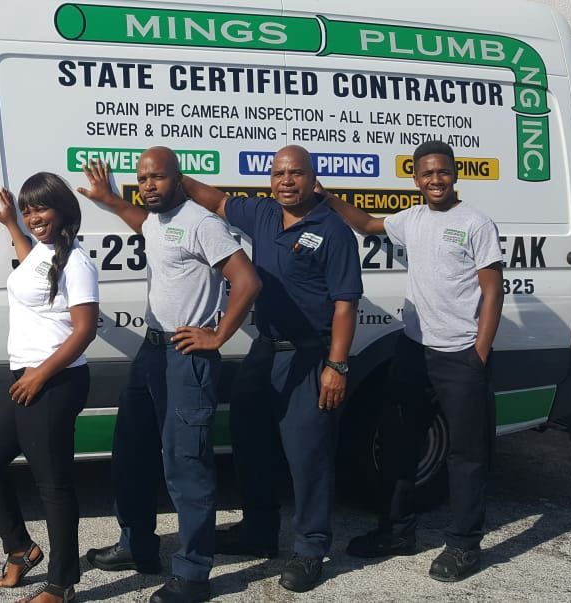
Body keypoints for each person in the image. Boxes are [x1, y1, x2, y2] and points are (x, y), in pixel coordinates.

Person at [78, 148, 261, 603]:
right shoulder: (158, 221)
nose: (148, 185)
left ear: (179, 179)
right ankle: (137, 545)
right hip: (152, 351)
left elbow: (247, 279)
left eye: (157, 177)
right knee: (131, 450)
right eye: (143, 179)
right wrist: (109, 199)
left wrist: (218, 335)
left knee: (185, 464)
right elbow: (144, 223)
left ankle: (193, 574)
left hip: (186, 355)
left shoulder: (203, 223)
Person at [180, 145, 362, 593]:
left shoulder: (333, 231)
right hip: (265, 351)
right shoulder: (262, 214)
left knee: (308, 454)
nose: (286, 181)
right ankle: (259, 531)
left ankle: (311, 547)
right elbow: (216, 201)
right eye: (279, 173)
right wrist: (172, 175)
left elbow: (345, 304)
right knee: (250, 441)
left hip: (308, 355)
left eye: (295, 173)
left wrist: (336, 366)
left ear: (312, 178)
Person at [321, 140, 504, 583]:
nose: (435, 180)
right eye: (427, 173)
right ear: (416, 178)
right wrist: (327, 198)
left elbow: (493, 291)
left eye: (442, 172)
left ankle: (464, 545)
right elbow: (367, 224)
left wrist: (478, 353)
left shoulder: (476, 223)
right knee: (398, 442)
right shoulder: (412, 219)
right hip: (413, 349)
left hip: (459, 354)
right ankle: (397, 531)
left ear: (454, 174)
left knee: (466, 455)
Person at [0, 172, 99, 603]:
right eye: (28, 209)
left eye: (41, 207)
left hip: (55, 381)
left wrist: (41, 374)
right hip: (26, 377)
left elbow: (85, 330)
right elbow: (32, 271)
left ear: (63, 210)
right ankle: (21, 549)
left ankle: (61, 584)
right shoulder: (43, 251)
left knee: (53, 485)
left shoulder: (77, 263)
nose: (33, 216)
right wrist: (11, 224)